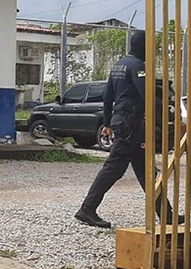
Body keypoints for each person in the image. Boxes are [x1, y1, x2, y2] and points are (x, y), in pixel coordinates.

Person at [75, 30, 177, 229]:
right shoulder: (138, 66)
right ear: (144, 47)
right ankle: (87, 209)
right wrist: (168, 116)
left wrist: (107, 123)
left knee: (145, 169)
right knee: (114, 167)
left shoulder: (119, 65)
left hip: (122, 121)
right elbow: (146, 95)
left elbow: (107, 96)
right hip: (131, 124)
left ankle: (166, 214)